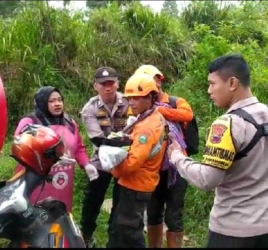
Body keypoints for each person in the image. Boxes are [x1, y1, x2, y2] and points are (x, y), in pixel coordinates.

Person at [167, 54, 268, 248]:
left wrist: (177, 157)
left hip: (232, 230)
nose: (209, 90)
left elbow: (207, 180)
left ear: (232, 83)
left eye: (212, 84)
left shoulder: (227, 124)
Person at [13, 86, 99, 247]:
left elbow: (78, 147)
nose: (57, 104)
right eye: (52, 101)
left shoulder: (70, 122)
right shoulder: (30, 122)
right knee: (36, 220)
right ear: (42, 102)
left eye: (59, 100)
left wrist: (86, 164)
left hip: (62, 183)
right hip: (37, 183)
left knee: (61, 215)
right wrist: (51, 158)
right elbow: (20, 146)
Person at [105, 73, 168, 248]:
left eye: (137, 98)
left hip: (136, 184)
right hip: (141, 183)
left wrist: (112, 169)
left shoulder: (146, 128)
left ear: (150, 98)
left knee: (130, 231)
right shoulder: (153, 117)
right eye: (130, 98)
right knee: (121, 228)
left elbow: (133, 162)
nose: (131, 102)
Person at [134, 65, 194, 248]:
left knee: (174, 216)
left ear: (159, 80)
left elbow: (187, 115)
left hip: (177, 167)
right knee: (153, 213)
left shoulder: (175, 101)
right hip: (153, 168)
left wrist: (159, 110)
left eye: (149, 80)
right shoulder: (140, 106)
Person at [79, 66, 131, 247]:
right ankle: (85, 234)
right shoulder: (90, 108)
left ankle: (114, 237)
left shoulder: (129, 101)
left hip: (126, 160)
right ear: (96, 86)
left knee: (121, 200)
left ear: (117, 83)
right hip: (101, 159)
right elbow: (98, 139)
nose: (108, 88)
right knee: (92, 199)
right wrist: (126, 142)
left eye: (111, 83)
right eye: (103, 84)